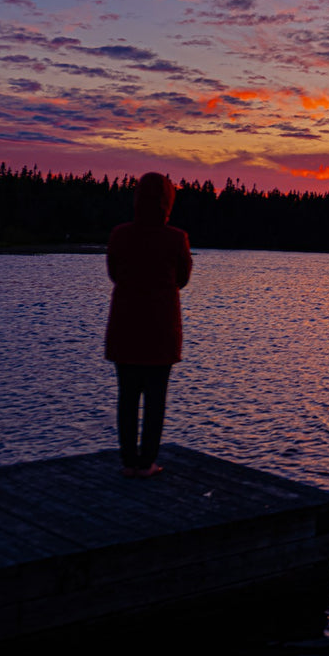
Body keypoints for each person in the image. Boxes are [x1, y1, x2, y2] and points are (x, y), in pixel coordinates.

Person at [105, 172, 191, 478]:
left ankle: (129, 461)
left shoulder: (120, 234)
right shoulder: (176, 238)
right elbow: (182, 278)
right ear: (167, 201)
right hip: (161, 330)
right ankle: (148, 462)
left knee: (127, 396)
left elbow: (114, 273)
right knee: (156, 399)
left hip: (125, 326)